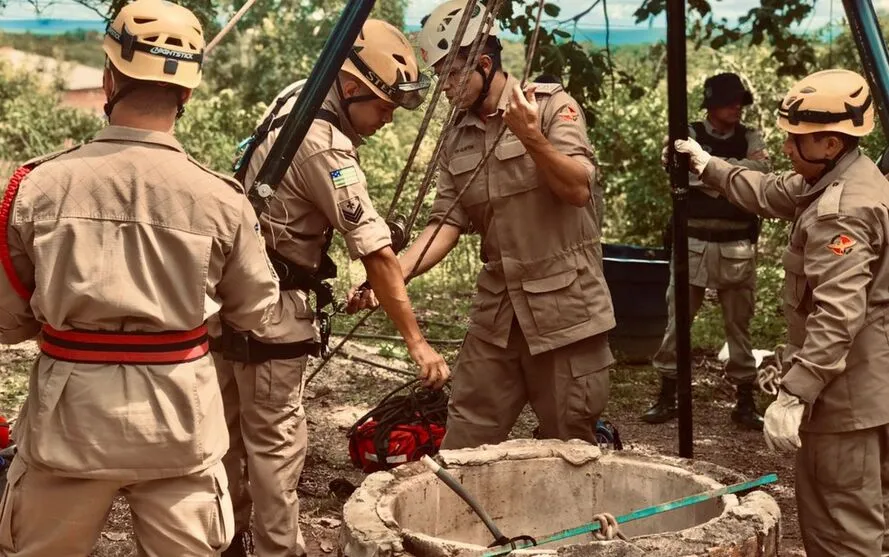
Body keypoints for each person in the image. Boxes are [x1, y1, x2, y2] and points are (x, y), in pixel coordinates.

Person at [0, 0, 280, 554]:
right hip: (180, 425)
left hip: (68, 422)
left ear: (109, 77)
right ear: (189, 93)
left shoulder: (36, 187)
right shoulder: (220, 198)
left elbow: (7, 321)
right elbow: (255, 314)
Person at [213, 18, 449, 557]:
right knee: (274, 446)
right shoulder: (326, 146)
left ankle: (223, 541)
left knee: (224, 436)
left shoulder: (297, 98)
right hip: (271, 312)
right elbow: (377, 254)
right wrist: (417, 341)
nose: (386, 121)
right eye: (383, 108)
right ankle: (278, 550)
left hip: (231, 297)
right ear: (349, 88)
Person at [349, 0, 615, 450]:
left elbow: (578, 189)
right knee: (464, 441)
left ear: (485, 64)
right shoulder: (459, 134)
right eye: (440, 76)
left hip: (566, 313)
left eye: (452, 74)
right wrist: (389, 279)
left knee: (570, 446)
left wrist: (531, 137)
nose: (445, 87)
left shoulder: (550, 108)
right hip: (498, 316)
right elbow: (445, 224)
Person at [673, 68, 889, 556]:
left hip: (846, 403)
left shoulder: (843, 210)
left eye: (797, 138)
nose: (787, 146)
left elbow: (838, 314)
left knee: (843, 535)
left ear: (831, 143)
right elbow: (772, 191)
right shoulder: (848, 174)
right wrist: (708, 164)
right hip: (872, 390)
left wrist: (793, 394)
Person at [642, 72, 770, 430]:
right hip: (693, 243)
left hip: (737, 245)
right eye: (730, 101)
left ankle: (745, 401)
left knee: (739, 328)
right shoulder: (689, 133)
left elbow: (762, 174)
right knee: (677, 322)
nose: (737, 108)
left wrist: (711, 172)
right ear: (712, 104)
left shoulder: (749, 136)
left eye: (740, 102)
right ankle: (668, 394)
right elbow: (676, 169)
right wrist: (731, 183)